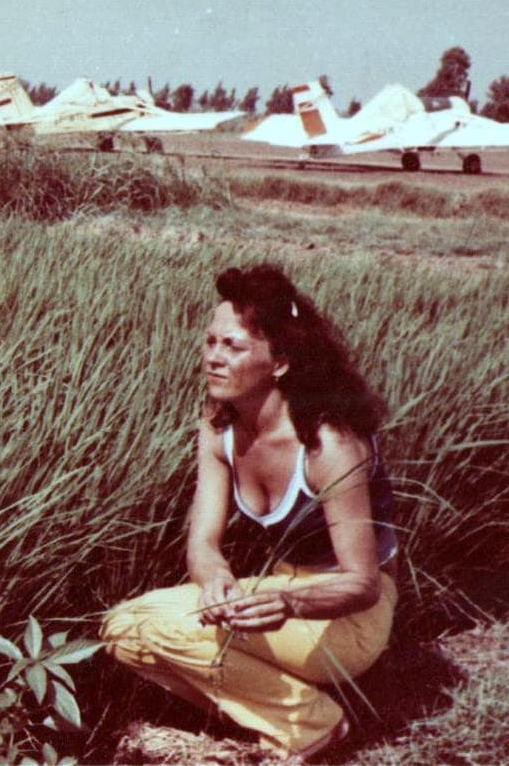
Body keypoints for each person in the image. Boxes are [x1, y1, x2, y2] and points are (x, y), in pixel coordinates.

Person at [100, 263, 398, 762]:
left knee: (156, 625)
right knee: (123, 632)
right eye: (210, 342)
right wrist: (215, 579)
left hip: (351, 617)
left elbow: (362, 583)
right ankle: (290, 714)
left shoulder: (328, 445)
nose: (212, 358)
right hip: (279, 590)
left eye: (232, 347)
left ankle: (310, 725)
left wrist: (289, 605)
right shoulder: (219, 429)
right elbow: (203, 544)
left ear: (280, 360)